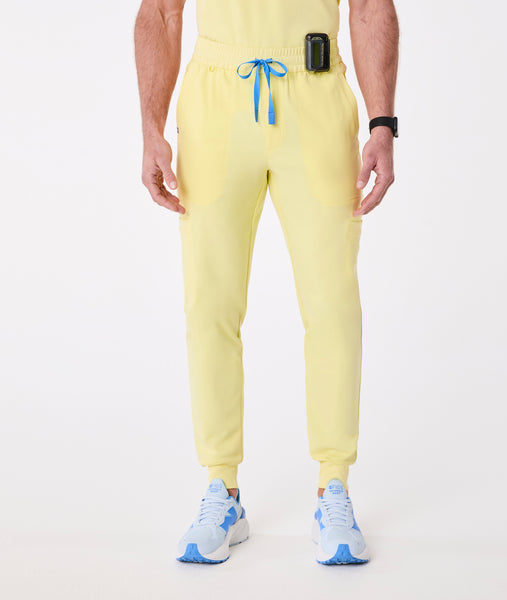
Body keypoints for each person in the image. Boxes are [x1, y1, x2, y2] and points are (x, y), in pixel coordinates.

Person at [134, 0, 399, 565]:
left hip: (315, 96)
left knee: (332, 302)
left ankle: (333, 487)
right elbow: (160, 11)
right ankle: (221, 487)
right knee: (210, 300)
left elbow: (370, 6)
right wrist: (151, 128)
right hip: (216, 99)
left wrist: (383, 125)